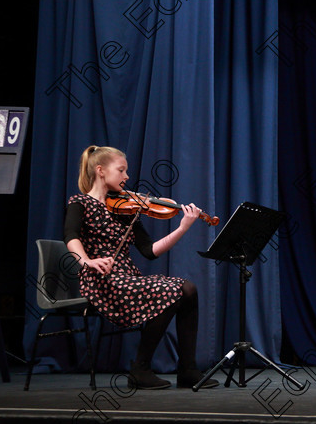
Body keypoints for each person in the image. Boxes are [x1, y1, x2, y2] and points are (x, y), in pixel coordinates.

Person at [63, 145, 218, 390]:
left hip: (127, 277)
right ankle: (140, 368)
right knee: (172, 291)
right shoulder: (80, 202)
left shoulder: (126, 208)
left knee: (187, 290)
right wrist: (87, 262)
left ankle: (187, 369)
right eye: (121, 170)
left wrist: (183, 227)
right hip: (100, 280)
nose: (126, 177)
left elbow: (150, 250)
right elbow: (71, 236)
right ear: (100, 170)